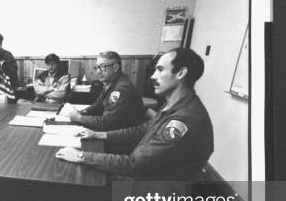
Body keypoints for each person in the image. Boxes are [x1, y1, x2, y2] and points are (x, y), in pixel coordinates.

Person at [56, 48, 213, 182]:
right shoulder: (175, 104)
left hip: (153, 191)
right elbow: (142, 130)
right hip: (145, 171)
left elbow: (134, 164)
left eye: (160, 70)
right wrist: (98, 134)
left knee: (74, 176)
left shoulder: (184, 119)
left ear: (181, 73)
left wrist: (81, 156)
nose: (152, 77)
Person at [60, 51, 145, 131]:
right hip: (113, 131)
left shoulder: (121, 89)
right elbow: (98, 106)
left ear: (115, 68)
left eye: (103, 67)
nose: (98, 71)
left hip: (122, 138)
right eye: (97, 67)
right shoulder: (111, 82)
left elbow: (108, 123)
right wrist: (82, 112)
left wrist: (80, 118)